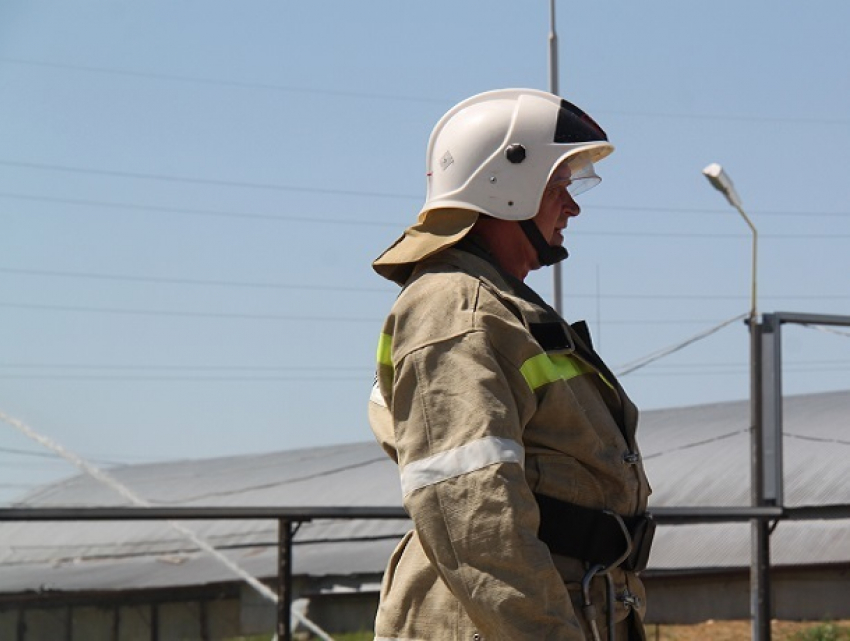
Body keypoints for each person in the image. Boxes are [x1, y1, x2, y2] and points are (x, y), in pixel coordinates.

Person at [368, 88, 653, 641]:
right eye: (558, 186)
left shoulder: (495, 305)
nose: (572, 207)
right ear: (507, 185)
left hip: (577, 609)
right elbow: (471, 510)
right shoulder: (456, 309)